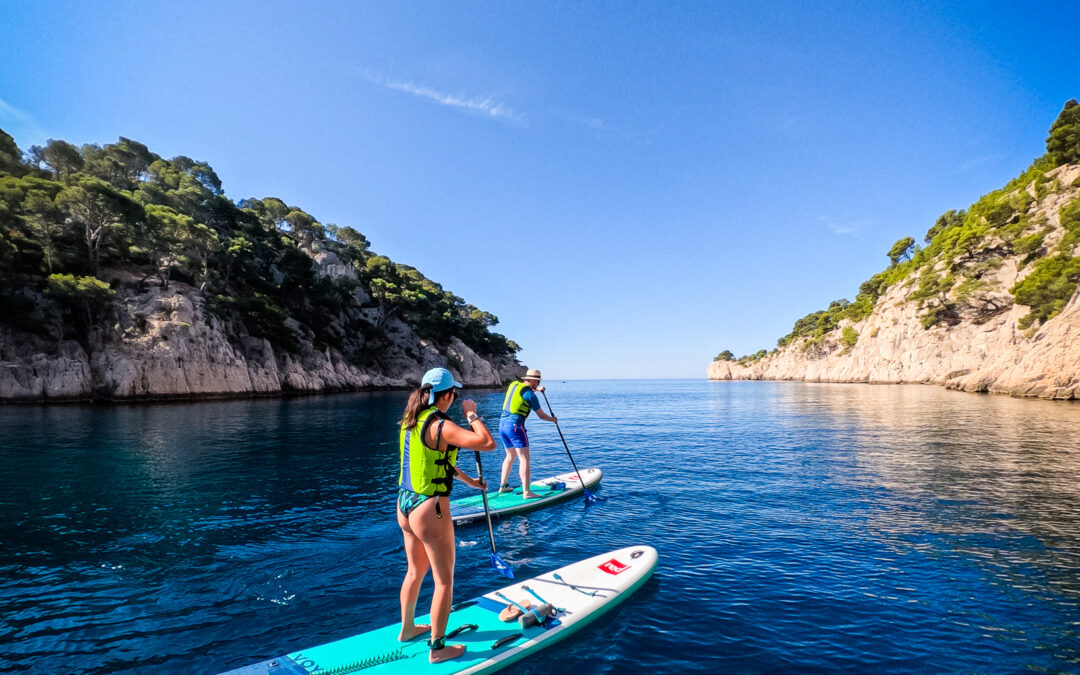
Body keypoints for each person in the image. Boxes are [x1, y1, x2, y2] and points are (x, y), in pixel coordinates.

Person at [396, 367, 496, 663]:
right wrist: (472, 415)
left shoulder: (410, 421)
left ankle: (408, 629)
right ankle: (438, 649)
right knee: (444, 580)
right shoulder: (442, 424)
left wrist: (470, 482)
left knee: (415, 572)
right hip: (431, 509)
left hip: (405, 504)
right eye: (456, 394)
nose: (457, 398)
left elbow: (436, 461)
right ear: (448, 395)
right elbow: (487, 443)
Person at [498, 369, 558, 499]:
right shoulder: (531, 396)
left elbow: (525, 390)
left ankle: (503, 486)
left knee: (510, 456)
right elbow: (541, 415)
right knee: (524, 458)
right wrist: (553, 419)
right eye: (537, 381)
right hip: (515, 426)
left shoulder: (514, 384)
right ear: (531, 380)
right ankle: (527, 492)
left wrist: (538, 389)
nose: (538, 383)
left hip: (502, 424)